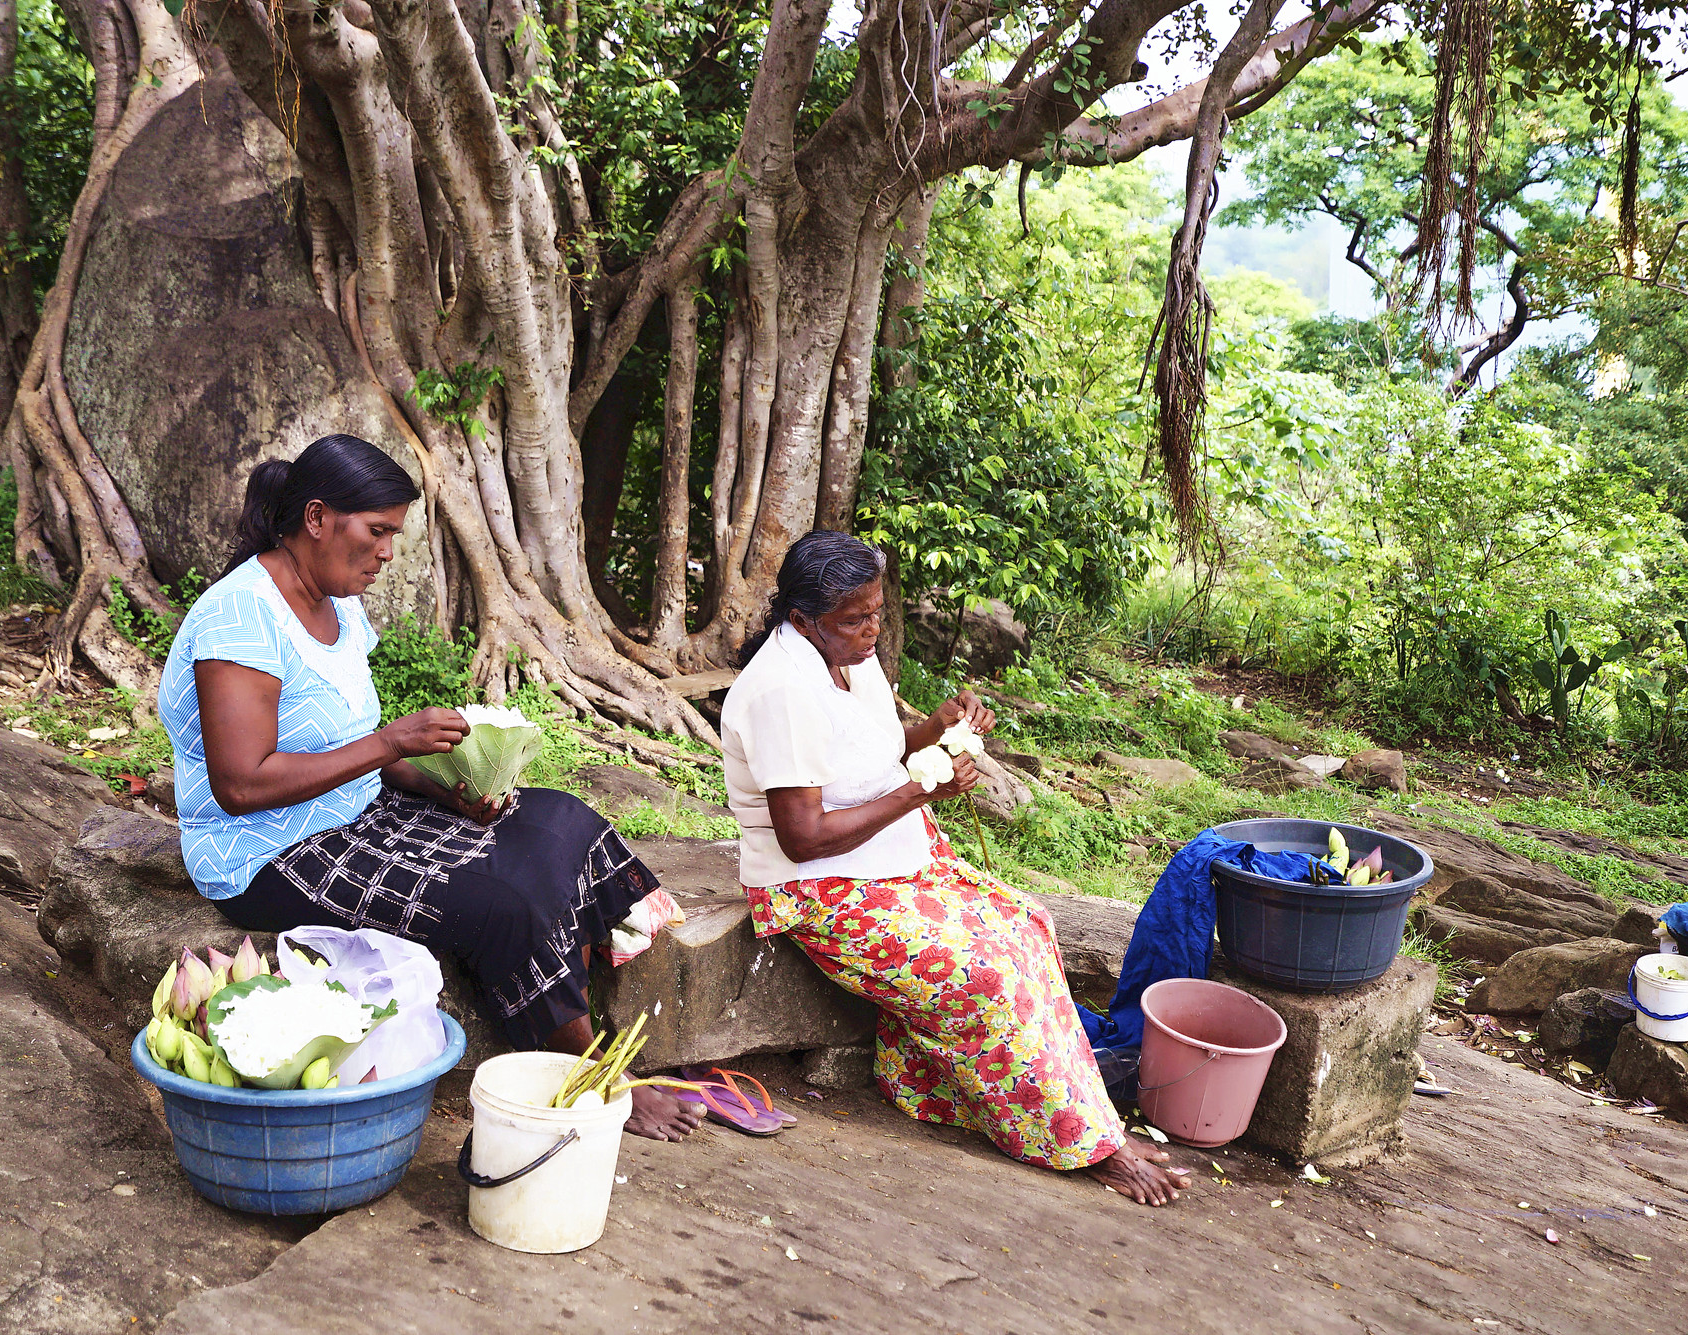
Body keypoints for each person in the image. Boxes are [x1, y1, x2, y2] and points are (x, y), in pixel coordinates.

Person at [159, 433, 701, 1141]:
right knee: (503, 904)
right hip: (267, 853)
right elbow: (239, 782)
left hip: (355, 811)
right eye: (377, 531)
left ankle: (583, 982)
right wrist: (391, 741)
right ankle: (590, 1069)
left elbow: (349, 746)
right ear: (318, 518)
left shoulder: (338, 602)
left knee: (558, 820)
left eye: (394, 534)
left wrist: (436, 786)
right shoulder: (240, 616)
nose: (388, 552)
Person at [719, 531, 1183, 1204]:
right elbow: (803, 836)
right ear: (801, 620)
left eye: (877, 610)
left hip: (889, 858)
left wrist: (934, 730)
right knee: (988, 972)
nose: (872, 628)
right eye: (856, 618)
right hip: (819, 891)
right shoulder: (780, 692)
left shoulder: (850, 653)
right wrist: (920, 791)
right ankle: (1085, 1142)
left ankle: (1059, 1110)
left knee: (1027, 921)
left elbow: (867, 755)